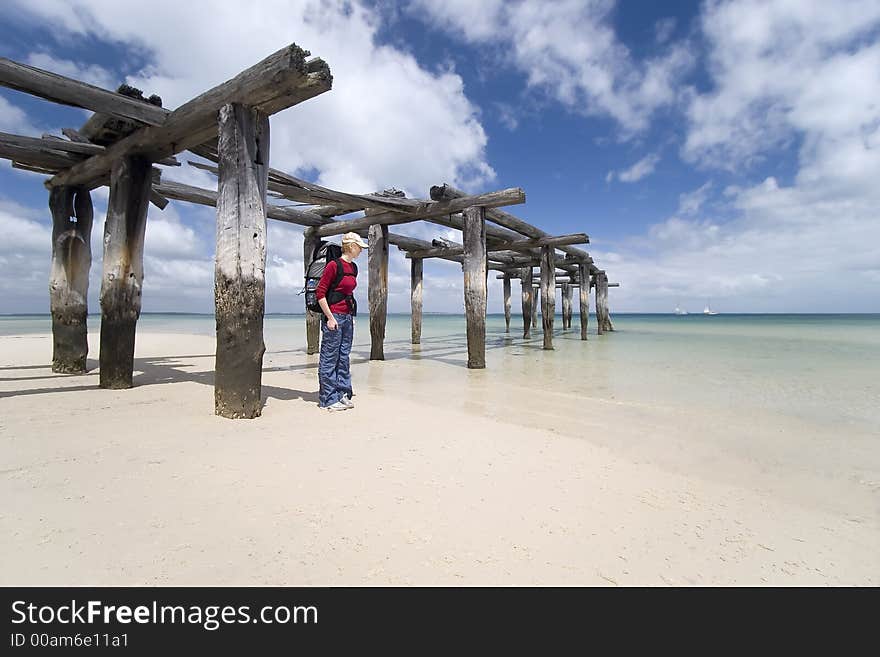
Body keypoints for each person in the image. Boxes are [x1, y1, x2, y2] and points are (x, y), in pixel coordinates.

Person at [315, 231, 367, 411]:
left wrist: (351, 317)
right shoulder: (333, 265)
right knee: (330, 358)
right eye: (359, 247)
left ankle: (343, 393)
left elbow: (348, 294)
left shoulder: (354, 268)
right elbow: (320, 293)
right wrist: (329, 317)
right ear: (351, 246)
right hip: (334, 316)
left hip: (347, 317)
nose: (361, 250)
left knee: (343, 357)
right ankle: (327, 400)